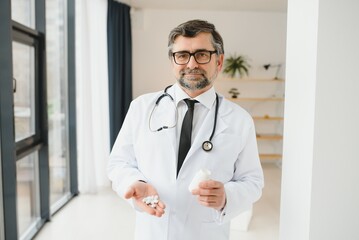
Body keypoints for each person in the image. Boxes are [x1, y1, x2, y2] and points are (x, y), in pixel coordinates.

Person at [107, 19, 264, 240]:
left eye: (201, 54)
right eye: (182, 55)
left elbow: (253, 182)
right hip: (153, 230)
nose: (191, 64)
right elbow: (118, 163)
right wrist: (136, 183)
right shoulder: (142, 108)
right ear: (173, 61)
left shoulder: (239, 120)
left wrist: (227, 196)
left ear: (219, 62)